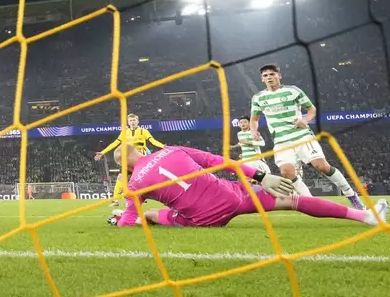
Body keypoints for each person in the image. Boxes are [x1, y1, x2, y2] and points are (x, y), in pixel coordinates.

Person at [109, 144, 386, 228]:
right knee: (293, 201)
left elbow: (128, 222)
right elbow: (220, 161)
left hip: (201, 220)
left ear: (125, 166)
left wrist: (125, 219)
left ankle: (150, 218)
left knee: (150, 215)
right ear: (138, 149)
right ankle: (366, 216)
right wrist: (262, 177)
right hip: (232, 198)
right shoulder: (171, 149)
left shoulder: (134, 182)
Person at [250, 64, 365, 209]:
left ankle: (351, 195)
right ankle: (312, 202)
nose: (269, 77)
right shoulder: (258, 98)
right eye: (265, 76)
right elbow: (254, 120)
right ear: (262, 79)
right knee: (286, 173)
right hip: (281, 140)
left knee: (321, 166)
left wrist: (304, 120)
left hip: (301, 135)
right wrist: (254, 131)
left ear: (279, 76)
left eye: (272, 74)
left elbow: (311, 109)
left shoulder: (293, 91)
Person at [95, 114, 165, 206]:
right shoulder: (125, 132)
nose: (132, 122)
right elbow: (115, 143)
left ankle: (140, 197)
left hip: (140, 160)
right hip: (127, 160)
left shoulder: (143, 131)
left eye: (134, 120)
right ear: (128, 122)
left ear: (138, 121)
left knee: (139, 180)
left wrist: (164, 146)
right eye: (130, 120)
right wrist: (103, 152)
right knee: (120, 177)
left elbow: (153, 141)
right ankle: (115, 200)